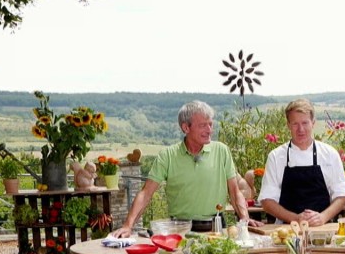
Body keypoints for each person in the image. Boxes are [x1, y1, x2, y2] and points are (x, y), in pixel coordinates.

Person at [111, 101, 259, 237]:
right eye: (203, 125)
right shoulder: (167, 155)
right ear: (185, 127)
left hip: (216, 228)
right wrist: (127, 226)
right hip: (179, 230)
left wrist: (245, 219)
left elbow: (235, 192)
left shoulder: (222, 151)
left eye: (210, 124)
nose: (209, 130)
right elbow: (146, 194)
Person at [258, 99, 345, 227]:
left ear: (313, 123)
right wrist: (295, 218)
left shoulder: (329, 154)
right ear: (288, 125)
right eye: (295, 124)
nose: (300, 129)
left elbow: (342, 195)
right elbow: (267, 201)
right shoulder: (276, 157)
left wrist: (323, 217)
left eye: (305, 123)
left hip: (324, 228)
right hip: (287, 230)